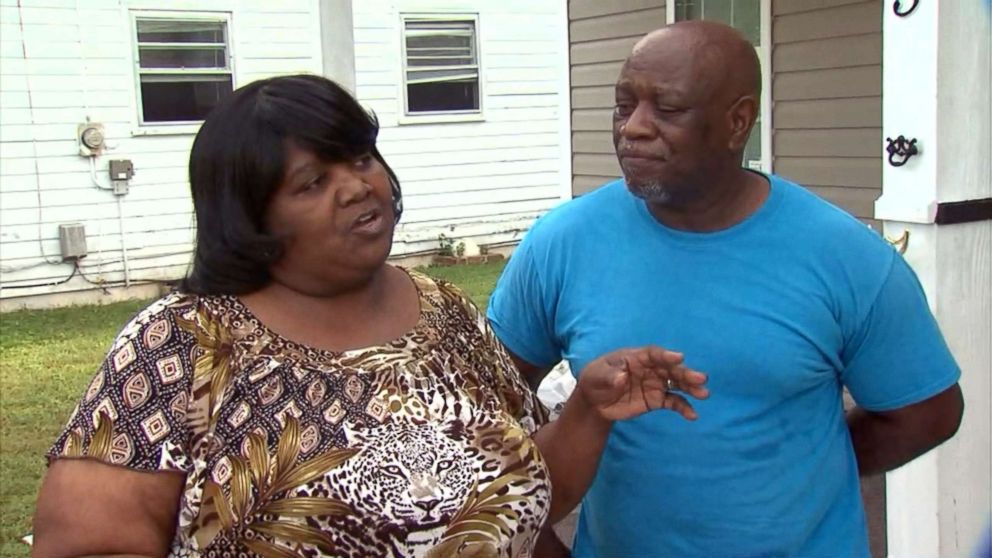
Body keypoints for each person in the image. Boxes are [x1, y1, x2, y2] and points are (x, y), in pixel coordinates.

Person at [31, 74, 709, 558]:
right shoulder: (180, 346)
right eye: (312, 182)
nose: (359, 186)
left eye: (359, 158)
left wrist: (588, 411)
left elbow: (525, 496)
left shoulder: (443, 312)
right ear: (250, 216)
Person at [487, 21, 964, 558]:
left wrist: (805, 468)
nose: (633, 128)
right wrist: (532, 539)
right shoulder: (563, 242)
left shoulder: (844, 257)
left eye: (666, 110)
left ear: (738, 122)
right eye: (624, 105)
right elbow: (482, 408)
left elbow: (927, 413)